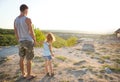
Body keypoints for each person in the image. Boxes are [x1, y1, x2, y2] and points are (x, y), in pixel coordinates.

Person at [14, 4, 36, 80]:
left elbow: (16, 32)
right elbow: (31, 31)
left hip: (20, 41)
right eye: (27, 10)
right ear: (26, 10)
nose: (28, 12)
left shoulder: (15, 20)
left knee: (21, 58)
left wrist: (19, 40)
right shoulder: (27, 19)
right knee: (29, 59)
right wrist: (35, 39)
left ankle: (23, 73)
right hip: (28, 41)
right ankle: (28, 75)